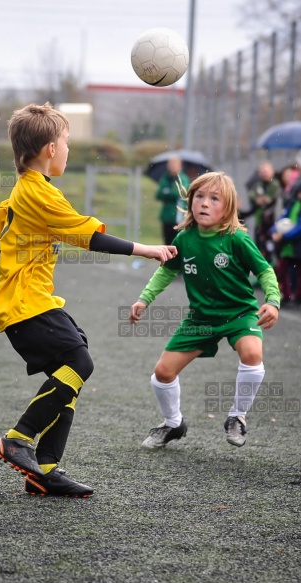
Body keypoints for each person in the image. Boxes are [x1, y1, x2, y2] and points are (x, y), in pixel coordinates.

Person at [0, 102, 177, 498]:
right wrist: (148, 249)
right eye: (67, 142)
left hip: (30, 303)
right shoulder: (40, 195)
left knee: (74, 361)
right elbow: (88, 236)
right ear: (50, 149)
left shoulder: (26, 190)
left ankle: (46, 471)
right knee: (79, 362)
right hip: (26, 305)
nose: (69, 149)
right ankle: (18, 438)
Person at [129, 171, 280, 450]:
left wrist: (272, 300)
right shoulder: (185, 239)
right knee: (162, 373)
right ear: (190, 201)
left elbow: (265, 270)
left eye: (214, 198)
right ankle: (173, 423)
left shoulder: (237, 239)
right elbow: (166, 272)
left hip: (239, 314)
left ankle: (237, 416)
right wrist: (144, 299)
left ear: (228, 207)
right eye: (199, 196)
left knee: (252, 353)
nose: (205, 203)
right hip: (200, 319)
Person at [271, 182, 301, 306]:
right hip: (288, 247)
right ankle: (287, 296)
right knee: (281, 270)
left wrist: (284, 235)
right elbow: (280, 220)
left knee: (298, 273)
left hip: (297, 246)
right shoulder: (292, 205)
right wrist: (273, 231)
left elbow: (299, 228)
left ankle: (297, 297)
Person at [247, 161, 281, 263]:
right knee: (260, 247)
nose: (264, 173)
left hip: (272, 222)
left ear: (272, 171)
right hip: (259, 221)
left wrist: (261, 199)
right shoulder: (257, 185)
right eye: (262, 171)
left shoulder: (275, 184)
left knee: (271, 247)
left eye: (267, 170)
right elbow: (252, 196)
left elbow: (270, 199)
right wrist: (259, 200)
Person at [155, 157, 190, 245]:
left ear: (180, 166)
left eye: (174, 165)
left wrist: (167, 192)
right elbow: (158, 194)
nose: (171, 167)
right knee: (167, 243)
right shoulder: (165, 178)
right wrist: (169, 192)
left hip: (178, 218)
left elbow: (179, 193)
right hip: (166, 217)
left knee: (177, 244)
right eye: (170, 165)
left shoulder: (183, 178)